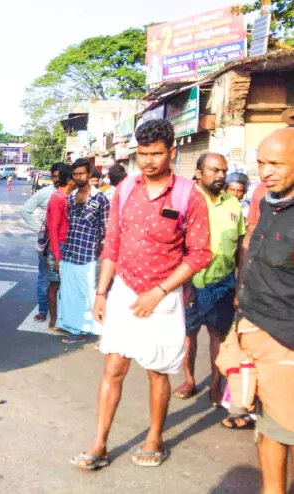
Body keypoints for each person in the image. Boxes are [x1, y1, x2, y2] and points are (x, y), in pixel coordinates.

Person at [71, 119, 211, 470]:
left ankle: (155, 439)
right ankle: (99, 444)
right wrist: (101, 292)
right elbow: (112, 244)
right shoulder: (125, 190)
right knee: (113, 367)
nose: (149, 161)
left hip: (163, 296)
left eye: (157, 154)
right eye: (144, 154)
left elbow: (200, 254)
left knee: (156, 371)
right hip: (124, 290)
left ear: (171, 152)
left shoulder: (188, 195)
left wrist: (160, 291)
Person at [217, 128, 294, 493]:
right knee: (267, 429)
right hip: (252, 331)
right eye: (261, 163)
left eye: (275, 163)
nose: (265, 172)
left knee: (284, 429)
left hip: (285, 343)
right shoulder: (268, 202)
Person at [172, 153, 244, 406]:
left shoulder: (233, 204)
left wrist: (240, 284)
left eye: (223, 170)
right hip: (190, 282)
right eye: (214, 170)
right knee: (188, 334)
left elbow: (240, 246)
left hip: (222, 283)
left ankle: (215, 384)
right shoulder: (185, 200)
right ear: (199, 173)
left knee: (218, 335)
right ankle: (189, 380)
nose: (221, 175)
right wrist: (183, 283)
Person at [57, 158, 110, 343]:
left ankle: (102, 333)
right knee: (71, 295)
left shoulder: (100, 198)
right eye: (75, 174)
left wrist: (103, 254)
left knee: (90, 295)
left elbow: (107, 228)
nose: (78, 177)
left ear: (89, 174)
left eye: (81, 173)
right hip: (70, 254)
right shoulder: (71, 198)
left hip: (89, 256)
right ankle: (77, 329)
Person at [20, 163, 64, 323]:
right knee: (45, 277)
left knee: (63, 279)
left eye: (60, 176)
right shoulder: (45, 193)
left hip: (66, 243)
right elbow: (25, 211)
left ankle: (61, 311)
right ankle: (43, 310)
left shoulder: (72, 192)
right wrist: (39, 230)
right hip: (48, 244)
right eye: (54, 176)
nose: (57, 179)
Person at [46, 164, 75, 331]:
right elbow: (53, 229)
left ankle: (63, 319)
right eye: (74, 177)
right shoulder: (58, 198)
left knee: (65, 285)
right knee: (55, 284)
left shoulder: (67, 197)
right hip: (59, 246)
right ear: (69, 180)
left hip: (67, 245)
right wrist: (57, 256)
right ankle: (54, 320)